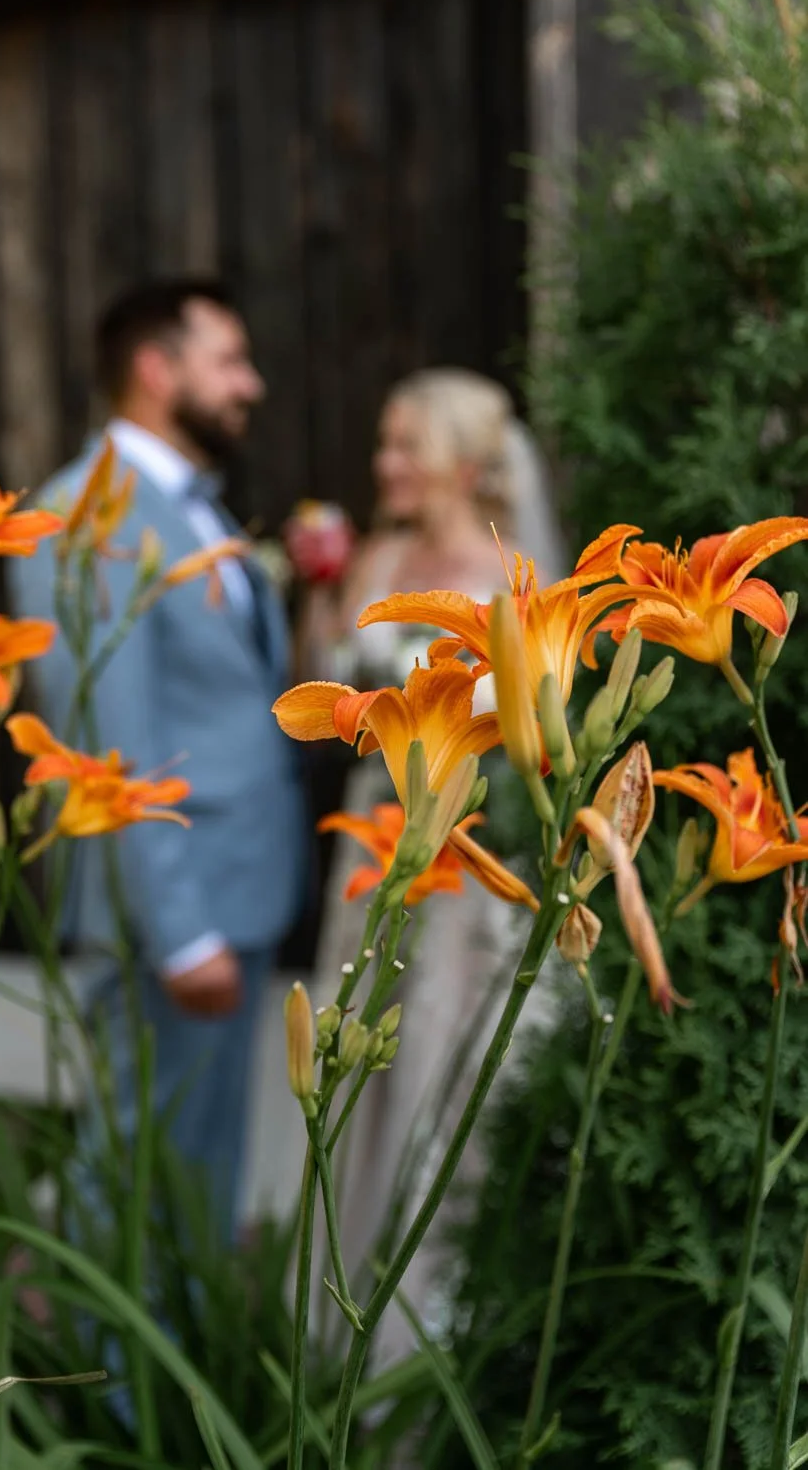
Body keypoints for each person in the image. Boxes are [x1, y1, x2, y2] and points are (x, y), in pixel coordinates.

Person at [7, 279, 306, 1246]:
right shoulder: (90, 517)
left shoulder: (192, 508)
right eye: (228, 359)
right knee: (141, 1165)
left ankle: (182, 1374)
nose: (250, 384)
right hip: (173, 911)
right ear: (154, 368)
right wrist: (179, 933)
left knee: (199, 1166)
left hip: (236, 884)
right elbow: (108, 739)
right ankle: (111, 1391)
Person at [291, 368, 564, 1377]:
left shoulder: (512, 571)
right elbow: (320, 686)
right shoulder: (380, 553)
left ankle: (433, 1337)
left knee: (444, 1071)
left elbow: (539, 726)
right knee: (363, 1061)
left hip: (469, 845)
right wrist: (321, 588)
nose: (382, 464)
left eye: (403, 445)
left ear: (461, 456)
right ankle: (341, 1332)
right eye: (382, 443)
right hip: (377, 844)